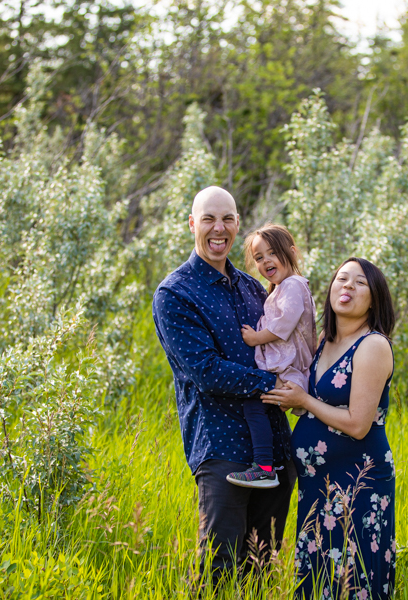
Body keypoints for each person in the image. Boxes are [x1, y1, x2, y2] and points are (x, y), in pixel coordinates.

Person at [151, 186, 296, 586]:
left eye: (228, 218)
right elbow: (206, 371)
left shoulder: (253, 288)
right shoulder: (175, 294)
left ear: (237, 224)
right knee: (220, 573)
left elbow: (285, 344)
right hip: (223, 449)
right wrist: (276, 383)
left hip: (276, 451)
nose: (220, 228)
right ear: (193, 224)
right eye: (209, 219)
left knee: (261, 572)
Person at [261, 257, 397, 599]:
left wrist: (304, 402)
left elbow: (357, 424)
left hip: (358, 486)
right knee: (317, 580)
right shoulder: (323, 341)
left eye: (359, 282)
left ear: (374, 298)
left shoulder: (372, 346)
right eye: (342, 278)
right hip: (317, 488)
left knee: (354, 583)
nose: (347, 285)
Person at [226, 224, 317, 489]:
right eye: (259, 257)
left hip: (289, 371)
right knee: (257, 408)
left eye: (272, 253)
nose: (266, 261)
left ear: (291, 252)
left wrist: (256, 338)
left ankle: (264, 468)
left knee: (254, 406)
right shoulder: (281, 288)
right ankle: (266, 466)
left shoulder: (292, 285)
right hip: (286, 369)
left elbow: (284, 323)